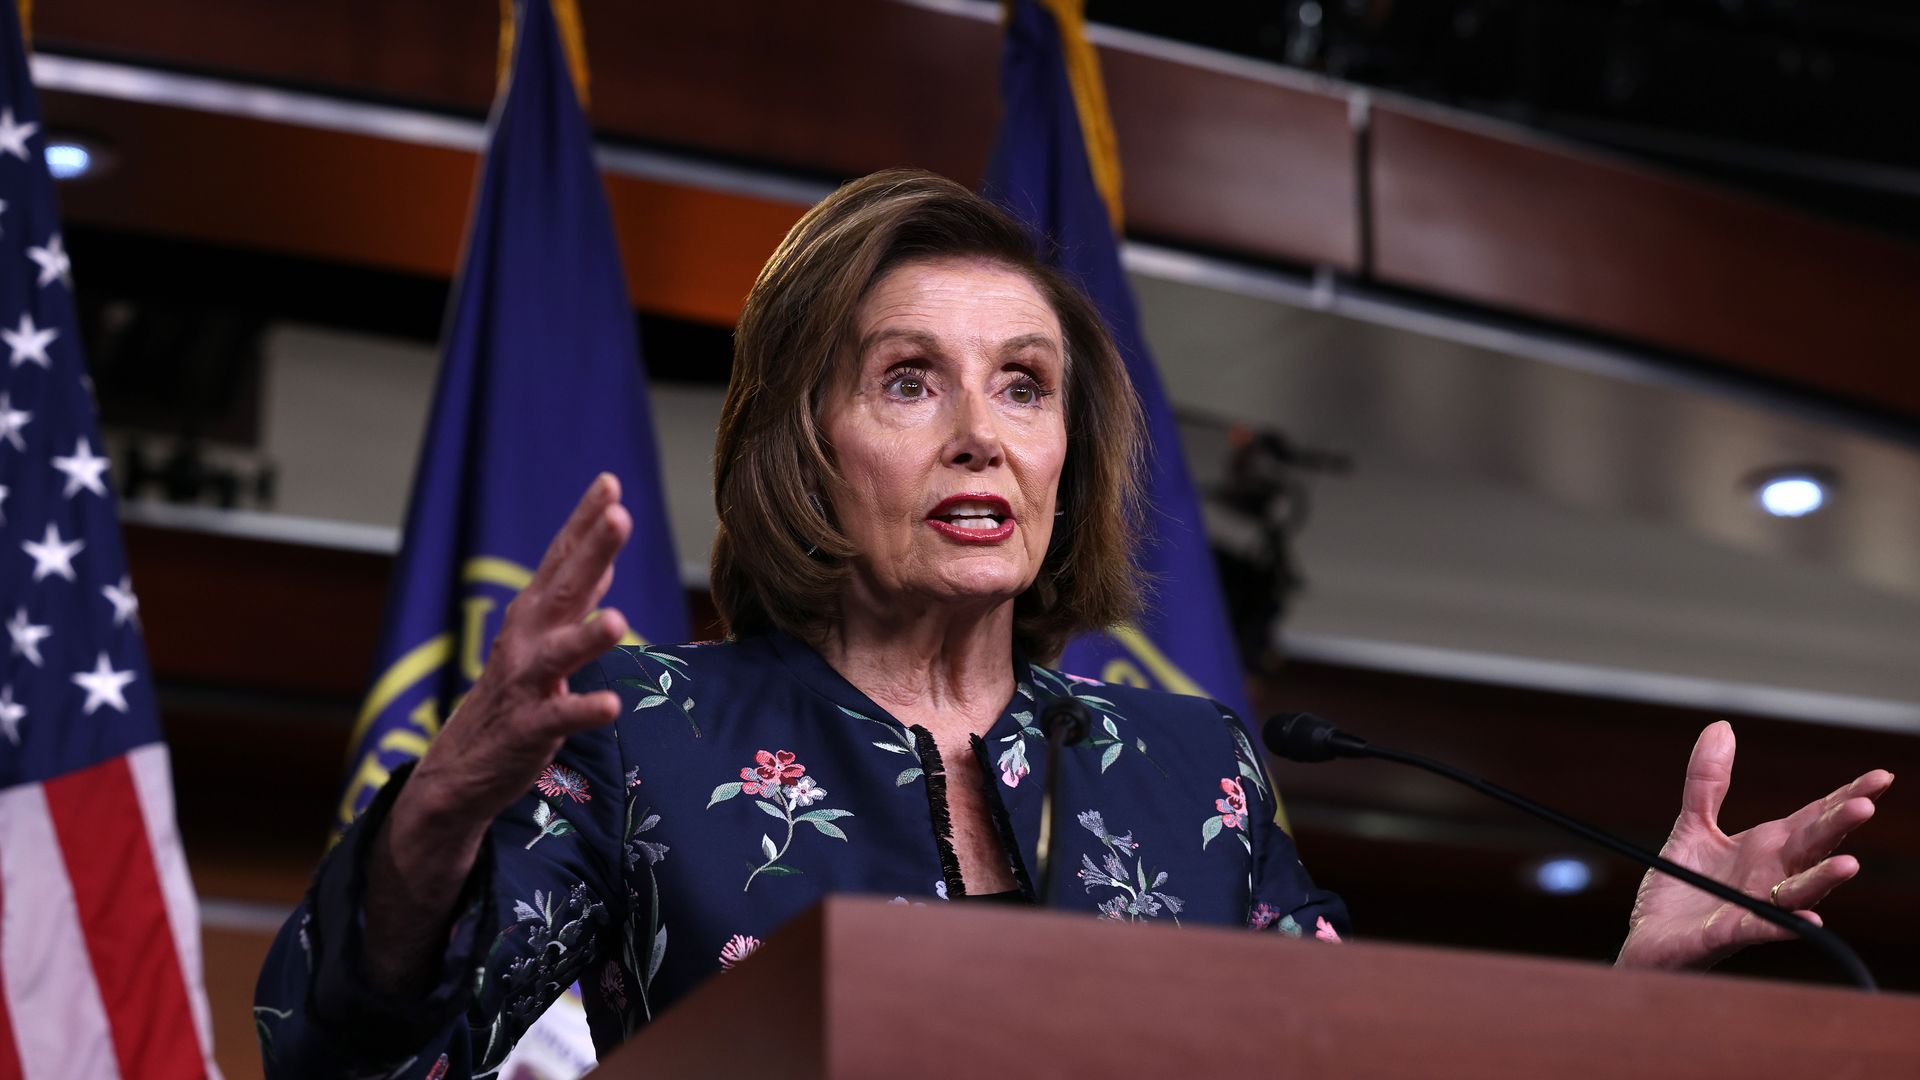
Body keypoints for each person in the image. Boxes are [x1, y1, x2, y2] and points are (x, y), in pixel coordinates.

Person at [254, 170, 1892, 1077]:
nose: (982, 434)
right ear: (804, 441)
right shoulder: (654, 737)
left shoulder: (1194, 769)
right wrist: (443, 810)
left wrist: (1630, 988)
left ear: (1068, 455)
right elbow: (353, 1055)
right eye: (912, 381)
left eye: (1025, 386)